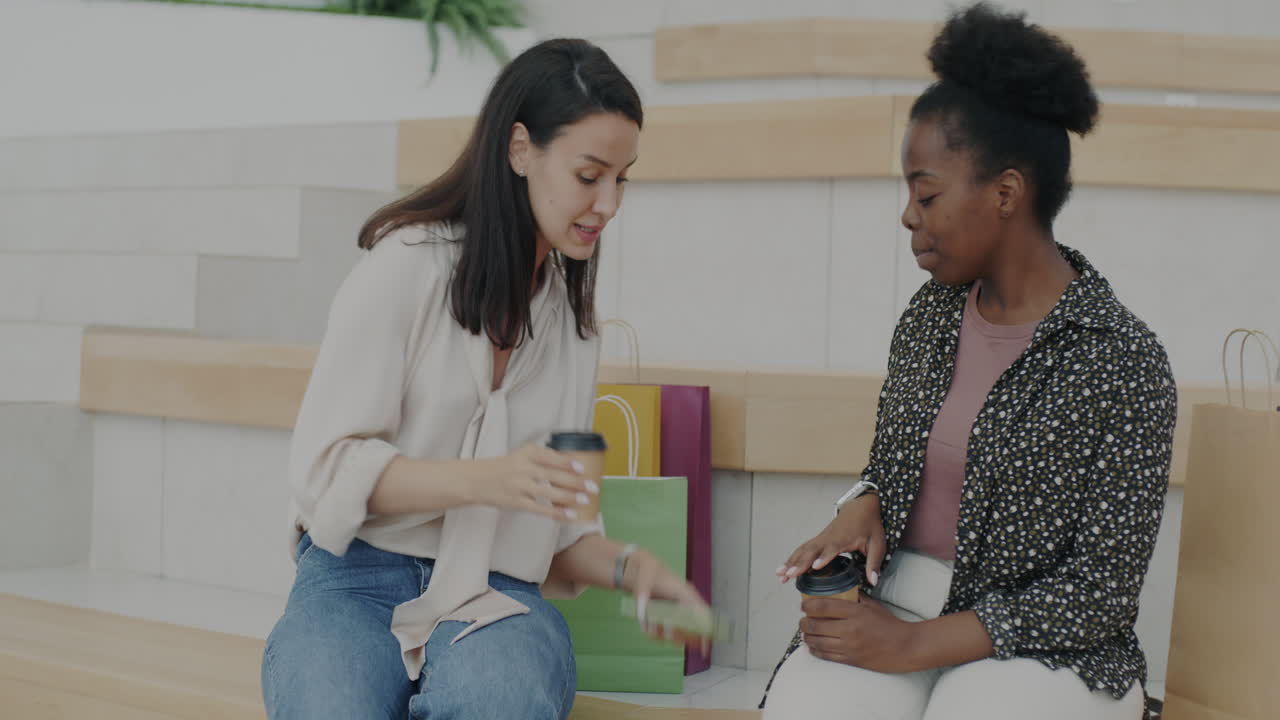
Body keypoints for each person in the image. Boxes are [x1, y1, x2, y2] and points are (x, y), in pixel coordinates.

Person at [260, 38, 709, 720]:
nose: (610, 203)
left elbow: (561, 534)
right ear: (520, 149)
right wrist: (483, 479)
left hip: (497, 593)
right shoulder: (403, 267)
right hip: (356, 576)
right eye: (590, 175)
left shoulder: (574, 326)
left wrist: (631, 568)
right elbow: (325, 472)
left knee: (502, 704)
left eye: (623, 178)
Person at [761, 4, 1177, 719]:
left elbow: (1099, 595)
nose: (907, 216)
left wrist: (912, 647)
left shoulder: (1122, 360)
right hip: (906, 596)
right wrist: (862, 505)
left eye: (926, 194)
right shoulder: (928, 318)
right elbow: (898, 467)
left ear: (1006, 193)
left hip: (1052, 647)